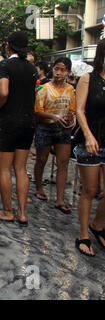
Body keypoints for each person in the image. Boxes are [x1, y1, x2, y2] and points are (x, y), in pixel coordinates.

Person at [0, 31, 37, 226]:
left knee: (4, 168)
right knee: (21, 168)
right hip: (28, 122)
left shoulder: (5, 65)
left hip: (9, 122)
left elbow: (4, 91)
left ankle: (8, 211)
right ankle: (23, 212)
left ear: (9, 45)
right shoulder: (32, 68)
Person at [73, 38, 105, 257]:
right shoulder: (88, 78)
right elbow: (79, 110)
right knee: (90, 190)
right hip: (91, 139)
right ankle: (84, 234)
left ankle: (97, 224)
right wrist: (88, 135)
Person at [34, 57, 76, 214]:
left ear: (68, 72)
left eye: (62, 70)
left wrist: (72, 120)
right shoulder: (44, 88)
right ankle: (39, 187)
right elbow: (38, 111)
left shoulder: (70, 90)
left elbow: (72, 109)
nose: (58, 73)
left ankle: (60, 199)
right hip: (45, 127)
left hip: (64, 129)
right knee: (42, 159)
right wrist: (53, 117)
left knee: (63, 164)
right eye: (56, 69)